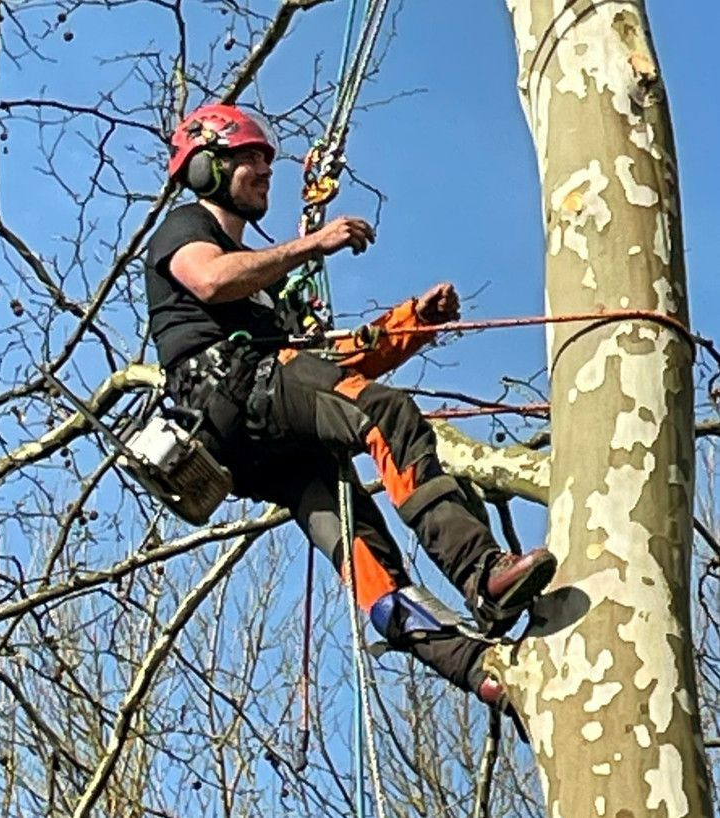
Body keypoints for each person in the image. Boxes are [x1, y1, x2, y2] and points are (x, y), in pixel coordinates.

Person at [145, 103, 556, 713]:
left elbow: (334, 363)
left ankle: (479, 672)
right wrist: (313, 244)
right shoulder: (186, 227)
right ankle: (479, 570)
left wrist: (412, 323)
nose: (264, 171)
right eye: (248, 159)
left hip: (267, 442)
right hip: (233, 390)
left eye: (266, 160)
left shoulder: (262, 306)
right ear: (205, 168)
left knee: (363, 556)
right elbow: (208, 281)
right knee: (386, 416)